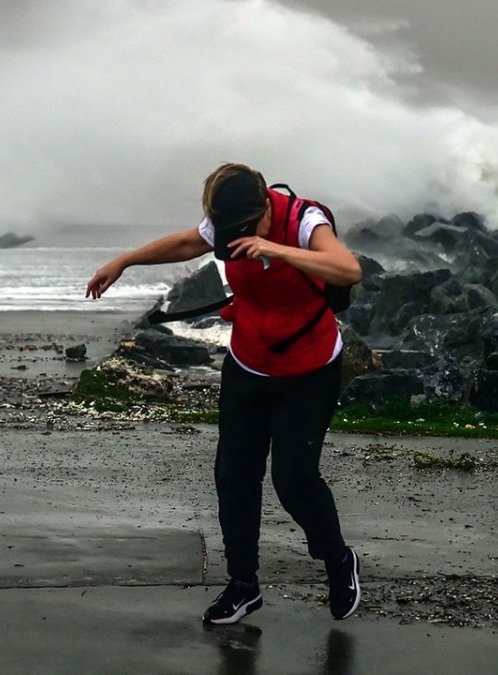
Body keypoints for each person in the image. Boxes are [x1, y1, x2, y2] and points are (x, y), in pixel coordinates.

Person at [86, 163, 363, 624]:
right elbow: (186, 242)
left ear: (263, 210)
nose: (233, 238)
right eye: (225, 230)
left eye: (243, 229)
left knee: (293, 481)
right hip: (249, 365)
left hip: (308, 371)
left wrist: (279, 249)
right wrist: (125, 260)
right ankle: (243, 586)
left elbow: (347, 268)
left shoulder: (304, 220)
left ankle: (338, 561)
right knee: (234, 477)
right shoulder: (230, 219)